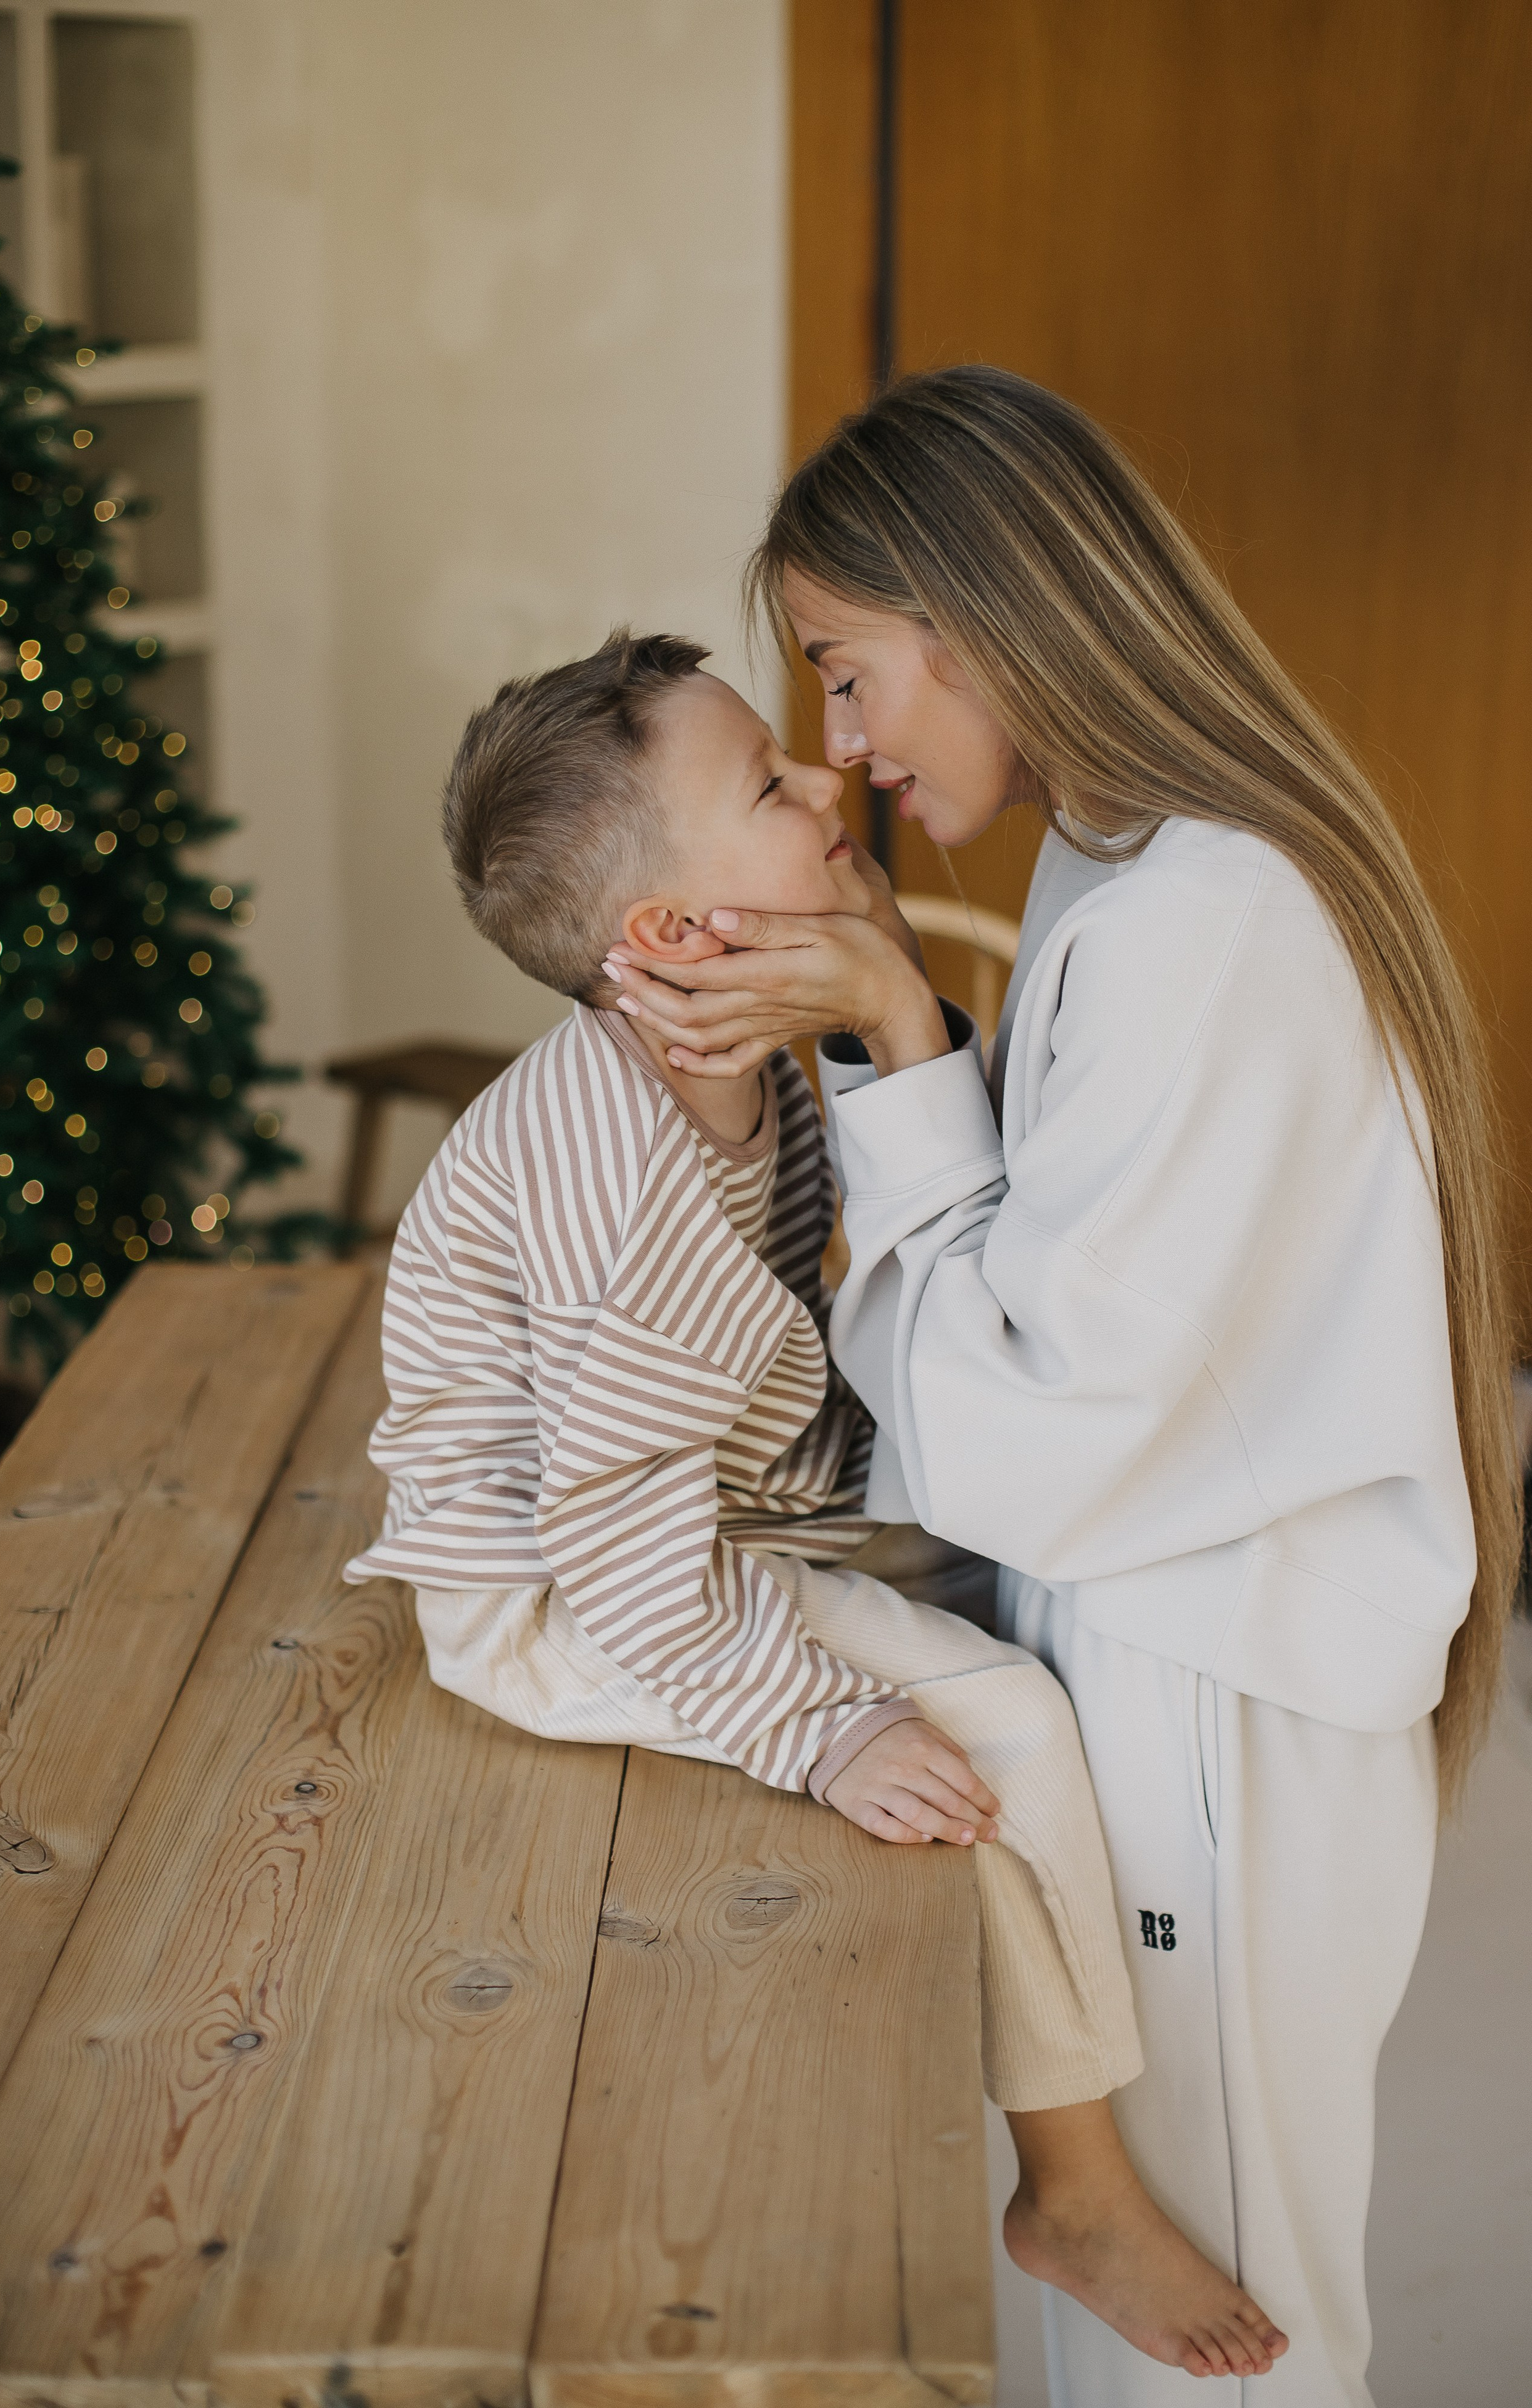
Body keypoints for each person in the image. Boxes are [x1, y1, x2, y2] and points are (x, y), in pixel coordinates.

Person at [596, 368, 1522, 2408]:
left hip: (1214, 1685)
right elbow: (1059, 1273)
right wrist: (896, 1021)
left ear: (983, 613)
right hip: (1184, 1643)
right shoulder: (1131, 861)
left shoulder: (1205, 922)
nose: (847, 750)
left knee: (1228, 2338)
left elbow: (1041, 1433)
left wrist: (896, 1033)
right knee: (1143, 2308)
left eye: (848, 674)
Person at [344, 628, 1290, 2381]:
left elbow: (797, 1330)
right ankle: (1074, 2188)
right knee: (1008, 1716)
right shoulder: (621, 1187)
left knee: (999, 1554)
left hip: (703, 1510)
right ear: (676, 935)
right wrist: (821, 1731)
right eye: (768, 786)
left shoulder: (726, 1058)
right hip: (560, 1594)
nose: (827, 771)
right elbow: (616, 1547)